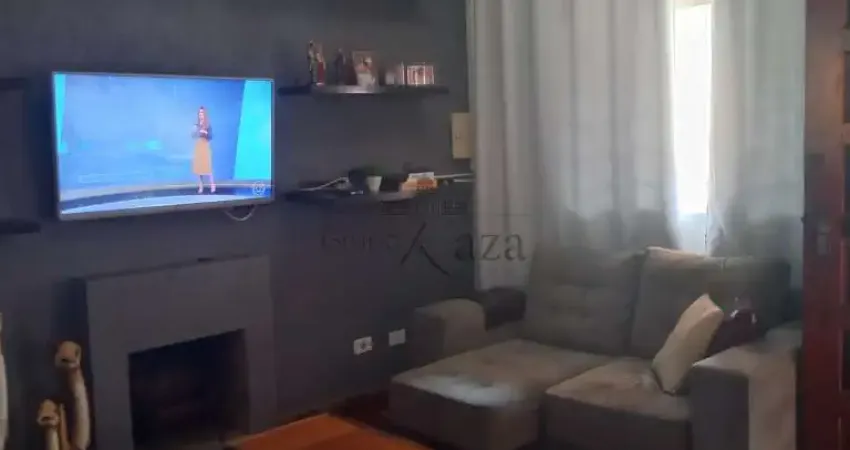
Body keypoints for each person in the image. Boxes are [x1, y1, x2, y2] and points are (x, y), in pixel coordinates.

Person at [192, 106, 215, 194]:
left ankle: (212, 185)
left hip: (205, 145)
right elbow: (193, 136)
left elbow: (211, 136)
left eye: (202, 113)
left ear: (205, 114)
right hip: (199, 146)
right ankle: (201, 186)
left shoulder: (208, 125)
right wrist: (196, 132)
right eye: (199, 113)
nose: (200, 115)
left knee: (207, 166)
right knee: (199, 167)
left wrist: (205, 133)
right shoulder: (196, 125)